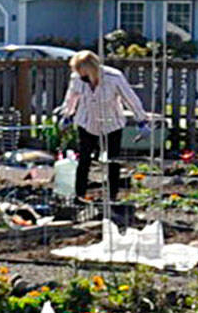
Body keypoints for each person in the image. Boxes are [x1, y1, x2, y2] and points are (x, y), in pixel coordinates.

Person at [59, 50, 149, 201]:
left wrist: (141, 120)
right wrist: (66, 115)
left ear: (92, 69)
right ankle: (79, 195)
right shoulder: (77, 79)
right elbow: (71, 97)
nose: (82, 77)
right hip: (86, 121)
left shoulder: (114, 77)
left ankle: (111, 196)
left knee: (112, 161)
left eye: (84, 74)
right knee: (84, 160)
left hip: (111, 123)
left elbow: (130, 99)